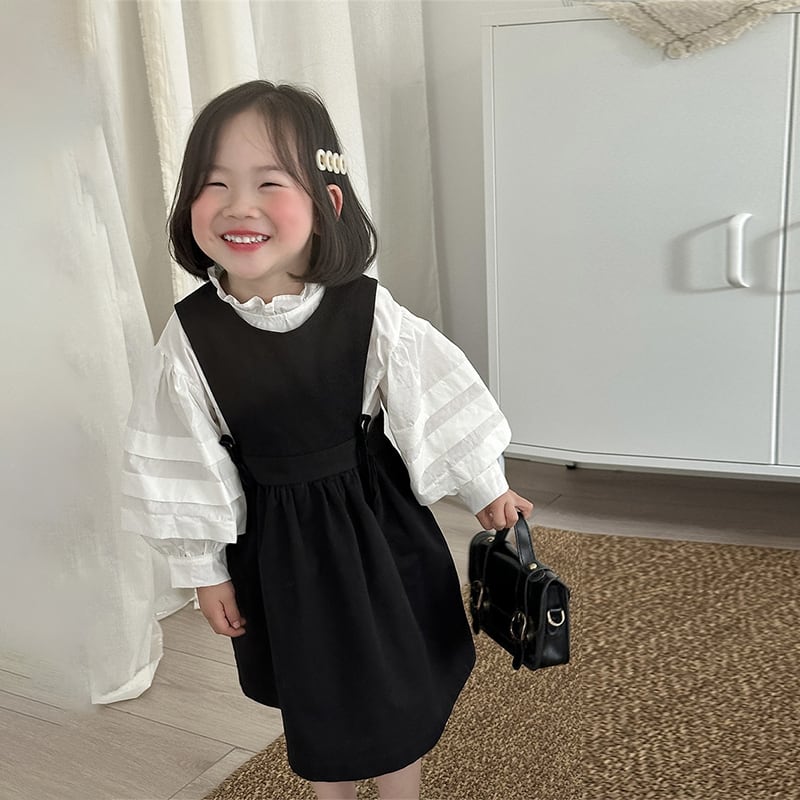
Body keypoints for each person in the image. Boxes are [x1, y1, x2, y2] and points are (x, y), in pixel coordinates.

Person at [121, 80, 533, 800]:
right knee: (315, 682)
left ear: (326, 202)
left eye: (268, 183)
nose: (239, 205)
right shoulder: (190, 336)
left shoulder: (367, 309)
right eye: (215, 184)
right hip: (279, 549)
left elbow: (433, 397)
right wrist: (203, 568)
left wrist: (485, 483)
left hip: (378, 530)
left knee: (397, 674)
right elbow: (181, 457)